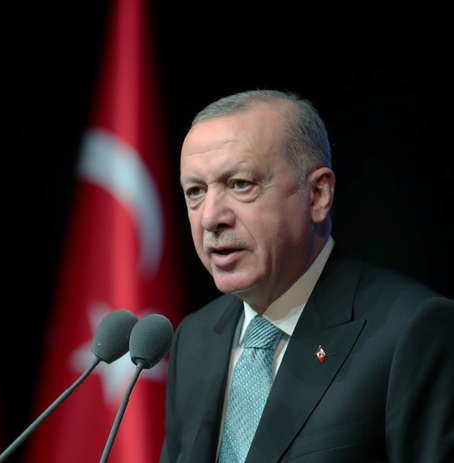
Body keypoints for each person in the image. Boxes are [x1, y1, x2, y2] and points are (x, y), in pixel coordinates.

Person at [160, 90, 454, 463]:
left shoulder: (413, 331)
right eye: (196, 191)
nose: (210, 217)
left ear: (317, 195)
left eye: (240, 184)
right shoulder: (194, 338)